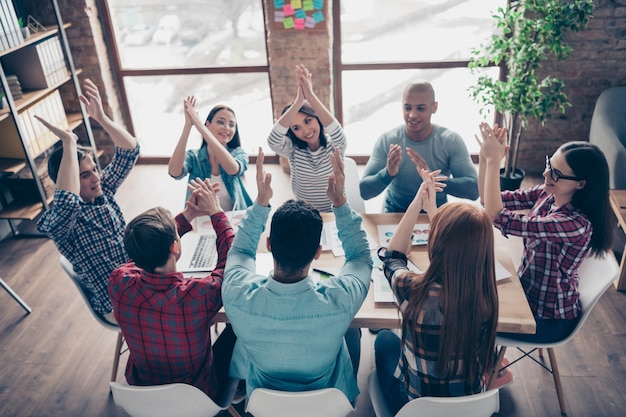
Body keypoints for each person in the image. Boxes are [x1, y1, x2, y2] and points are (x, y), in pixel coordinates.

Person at [222, 147, 372, 403]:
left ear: (269, 245)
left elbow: (241, 250)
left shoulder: (236, 294)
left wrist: (260, 203)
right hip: (326, 403)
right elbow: (360, 257)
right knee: (352, 331)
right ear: (317, 252)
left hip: (263, 401)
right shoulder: (341, 299)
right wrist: (340, 202)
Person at [374, 168, 499, 414]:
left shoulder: (412, 289)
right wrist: (434, 211)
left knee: (384, 339)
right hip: (468, 408)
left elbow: (392, 259)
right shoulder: (486, 295)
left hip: (414, 407)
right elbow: (457, 246)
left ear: (434, 240)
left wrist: (416, 204)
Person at [477, 122, 613, 343]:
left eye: (556, 173)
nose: (545, 173)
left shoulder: (574, 224)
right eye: (549, 164)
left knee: (466, 316)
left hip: (548, 319)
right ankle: (490, 364)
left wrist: (494, 162)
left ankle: (490, 368)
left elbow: (496, 216)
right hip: (526, 295)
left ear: (581, 184)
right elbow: (488, 200)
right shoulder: (548, 194)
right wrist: (486, 157)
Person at [108, 179, 236, 400]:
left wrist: (187, 214)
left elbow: (139, 251)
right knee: (237, 330)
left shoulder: (119, 282)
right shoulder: (199, 295)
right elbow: (230, 263)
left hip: (144, 395)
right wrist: (216, 212)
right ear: (175, 247)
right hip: (197, 397)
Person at [36, 78, 140, 324]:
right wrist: (69, 143)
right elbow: (68, 202)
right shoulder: (59, 223)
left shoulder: (101, 191)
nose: (96, 177)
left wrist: (101, 118)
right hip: (118, 304)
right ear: (68, 179)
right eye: (85, 175)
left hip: (139, 282)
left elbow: (130, 151)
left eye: (94, 169)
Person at [359, 81, 479, 212]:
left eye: (420, 108)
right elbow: (364, 192)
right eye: (407, 108)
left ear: (434, 107)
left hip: (435, 213)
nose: (412, 115)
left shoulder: (450, 141)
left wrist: (433, 180)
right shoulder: (388, 140)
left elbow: (474, 190)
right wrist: (387, 173)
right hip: (396, 212)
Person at [267, 64, 347, 212]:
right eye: (296, 128)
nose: (306, 131)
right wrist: (298, 101)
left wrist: (310, 96)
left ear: (317, 118)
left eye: (308, 121)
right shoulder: (293, 150)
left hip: (336, 211)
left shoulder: (334, 146)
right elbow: (272, 141)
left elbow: (339, 133)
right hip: (307, 214)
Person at [168, 97, 252, 210]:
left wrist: (202, 129)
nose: (227, 128)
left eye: (231, 125)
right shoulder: (194, 157)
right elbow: (174, 172)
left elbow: (233, 169)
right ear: (208, 124)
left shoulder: (238, 153)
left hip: (234, 219)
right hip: (202, 220)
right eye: (220, 122)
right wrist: (188, 125)